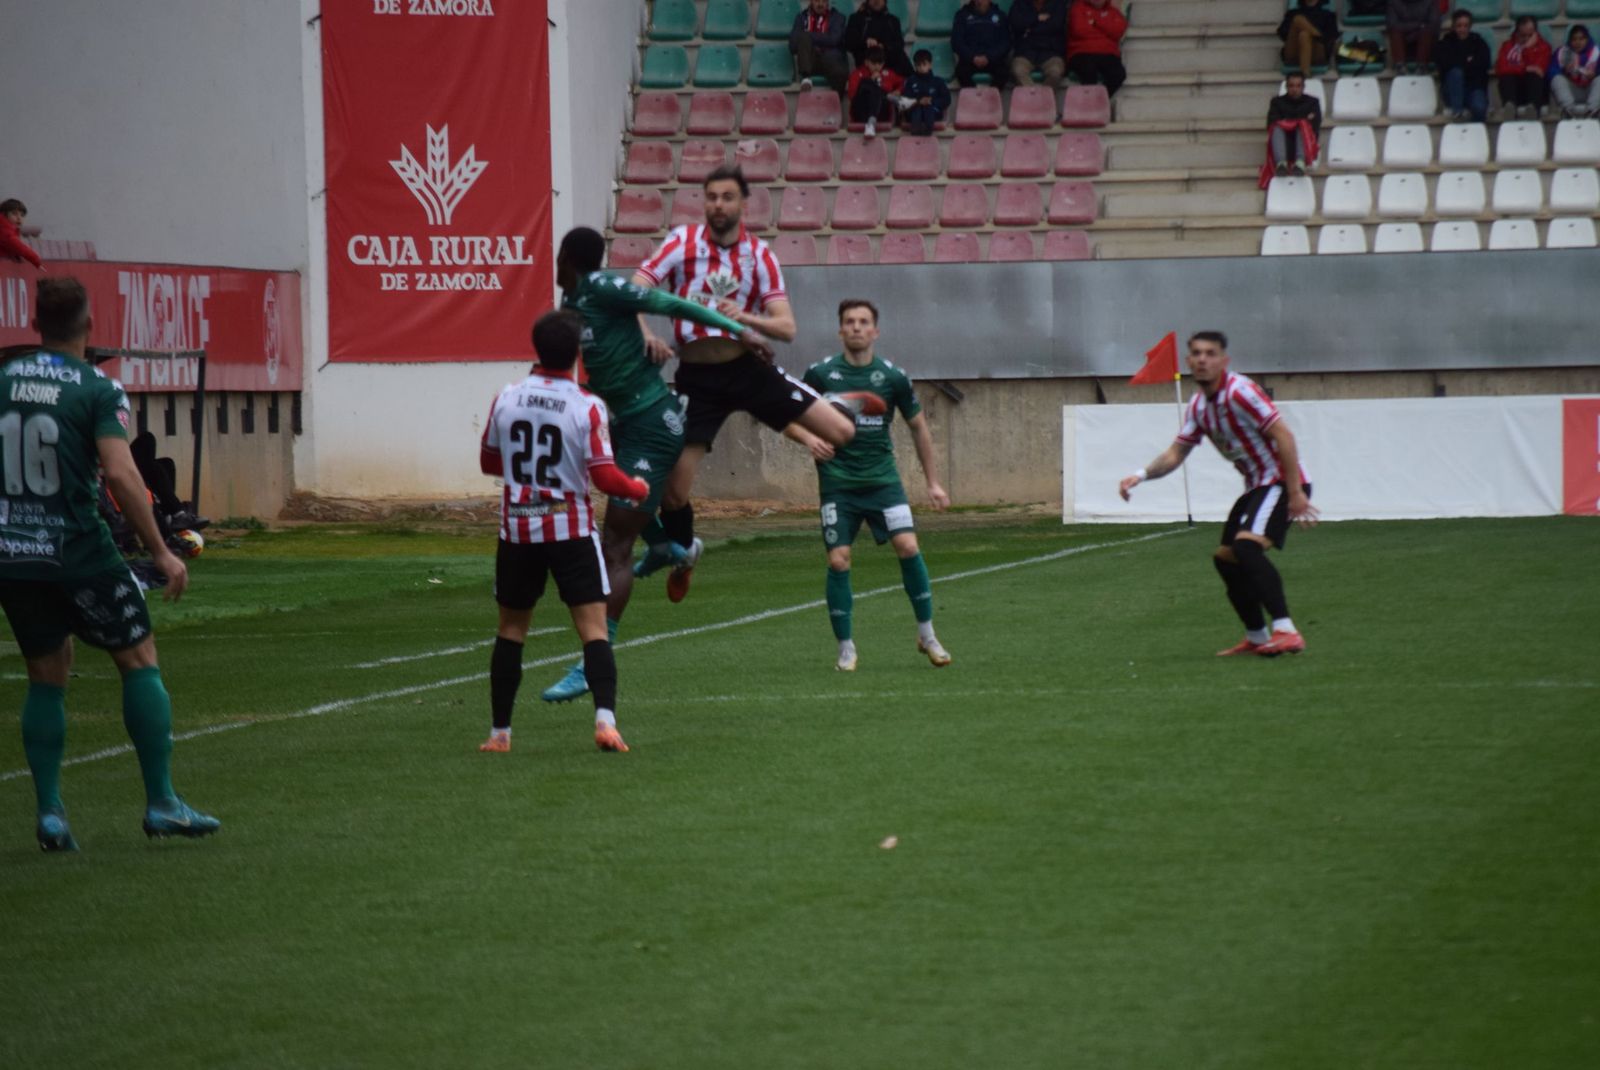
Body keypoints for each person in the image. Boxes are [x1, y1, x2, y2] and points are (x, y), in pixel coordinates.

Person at [0, 278, 218, 851]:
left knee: (47, 673)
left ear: (34, 324)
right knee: (138, 656)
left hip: (15, 553)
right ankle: (163, 803)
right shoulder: (97, 389)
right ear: (89, 326)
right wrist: (161, 550)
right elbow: (121, 474)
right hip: (79, 549)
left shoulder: (1, 383)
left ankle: (50, 812)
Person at [537, 226, 771, 704]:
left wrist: (739, 329)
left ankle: (594, 657)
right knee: (635, 503)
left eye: (556, 257)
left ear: (566, 257)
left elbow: (670, 305)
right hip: (622, 422)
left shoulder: (602, 287)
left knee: (614, 543)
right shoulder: (572, 302)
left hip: (652, 423)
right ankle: (670, 549)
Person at [631, 166, 878, 604]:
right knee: (672, 492)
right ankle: (686, 555)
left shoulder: (759, 256)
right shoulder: (681, 243)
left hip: (748, 370)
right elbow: (636, 289)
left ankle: (840, 403)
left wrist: (744, 318)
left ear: (743, 203)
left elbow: (786, 328)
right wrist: (647, 335)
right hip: (697, 381)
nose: (717, 205)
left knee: (843, 432)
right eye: (711, 197)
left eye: (726, 197)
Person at [477, 310, 651, 754]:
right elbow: (605, 477)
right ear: (577, 353)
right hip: (569, 529)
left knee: (511, 629)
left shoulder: (508, 397)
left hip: (517, 530)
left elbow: (490, 463)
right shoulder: (585, 405)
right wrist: (637, 487)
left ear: (536, 348)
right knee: (593, 629)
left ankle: (500, 733)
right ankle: (605, 722)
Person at [1118, 331, 1318, 658]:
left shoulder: (1240, 392)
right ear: (1188, 361)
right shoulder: (1199, 406)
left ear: (1223, 361)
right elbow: (1176, 453)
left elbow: (1284, 435)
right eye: (1196, 353)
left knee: (1246, 548)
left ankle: (1286, 630)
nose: (1202, 359)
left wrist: (1295, 492)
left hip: (1281, 481)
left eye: (1210, 353)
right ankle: (1257, 636)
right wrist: (1139, 476)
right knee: (1226, 559)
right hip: (1257, 486)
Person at [792, 300, 952, 672]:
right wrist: (807, 439)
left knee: (909, 545)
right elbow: (786, 413)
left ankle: (927, 634)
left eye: (864, 322)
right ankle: (846, 648)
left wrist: (933, 482)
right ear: (840, 331)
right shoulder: (820, 375)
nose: (857, 328)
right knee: (838, 559)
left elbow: (919, 427)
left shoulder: (893, 377)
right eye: (849, 322)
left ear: (875, 331)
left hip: (883, 482)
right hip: (838, 484)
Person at [1262, 73, 1321, 181]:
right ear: (1286, 87)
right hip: (1283, 142)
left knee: (1303, 126)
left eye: (1298, 86)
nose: (1295, 89)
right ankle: (1281, 164)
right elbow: (1271, 122)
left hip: (1305, 144)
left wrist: (1293, 122)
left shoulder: (1312, 102)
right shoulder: (1277, 102)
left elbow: (1315, 125)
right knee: (1277, 127)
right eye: (1291, 86)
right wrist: (1302, 119)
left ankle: (1300, 163)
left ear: (1303, 87)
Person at [1435, 10, 1491, 122]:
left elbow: (1484, 65)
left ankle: (1476, 134)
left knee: (1480, 108)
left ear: (1470, 27)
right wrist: (1468, 61)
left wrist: (1460, 62)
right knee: (1456, 73)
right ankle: (1457, 112)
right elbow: (1445, 65)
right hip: (1451, 90)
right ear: (1453, 26)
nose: (1462, 29)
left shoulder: (1479, 42)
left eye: (1465, 26)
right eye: (1459, 25)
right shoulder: (1445, 43)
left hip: (1474, 88)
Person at [1067, 0, 1128, 97]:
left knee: (1119, 74)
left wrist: (1095, 22)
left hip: (1107, 52)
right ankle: (1092, 104)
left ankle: (1099, 100)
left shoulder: (1113, 11)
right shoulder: (1077, 8)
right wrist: (1106, 29)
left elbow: (1118, 31)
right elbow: (1079, 31)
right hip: (1082, 51)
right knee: (1088, 71)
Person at [1495, 16, 1553, 118]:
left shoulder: (1544, 47)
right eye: (1523, 35)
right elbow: (1501, 68)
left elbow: (1540, 70)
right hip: (1515, 90)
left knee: (1533, 75)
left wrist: (1526, 49)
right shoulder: (1507, 46)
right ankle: (1510, 108)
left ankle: (1533, 108)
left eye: (1530, 35)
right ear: (1517, 32)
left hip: (1535, 91)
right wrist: (1524, 68)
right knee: (1507, 77)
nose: (1526, 39)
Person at [847, 46, 908, 138]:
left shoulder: (888, 74)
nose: (877, 66)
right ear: (866, 62)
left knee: (876, 91)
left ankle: (871, 123)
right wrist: (871, 81)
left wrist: (898, 90)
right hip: (861, 112)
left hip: (881, 113)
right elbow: (853, 96)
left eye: (880, 63)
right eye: (874, 63)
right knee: (866, 84)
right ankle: (893, 98)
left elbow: (905, 82)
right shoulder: (857, 74)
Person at [791, 0, 850, 95]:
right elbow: (793, 45)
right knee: (804, 38)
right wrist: (809, 38)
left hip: (831, 59)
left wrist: (809, 36)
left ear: (828, 3)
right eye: (817, 1)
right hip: (810, 59)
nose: (820, 4)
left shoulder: (838, 18)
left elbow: (833, 39)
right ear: (811, 2)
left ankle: (836, 105)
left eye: (823, 1)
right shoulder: (801, 18)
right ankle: (806, 78)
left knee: (840, 74)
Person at [1008, 0, 1070, 88]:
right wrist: (1036, 18)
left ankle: (1041, 99)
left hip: (1050, 52)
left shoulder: (1058, 4)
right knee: (1018, 71)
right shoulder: (1019, 4)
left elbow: (1056, 26)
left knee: (1055, 72)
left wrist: (1029, 28)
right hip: (1025, 52)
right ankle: (1033, 98)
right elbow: (1017, 24)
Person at [952, 0, 1012, 89]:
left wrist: (989, 57)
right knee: (961, 72)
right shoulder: (962, 15)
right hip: (970, 59)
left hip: (992, 58)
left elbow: (1006, 42)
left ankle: (990, 98)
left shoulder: (1000, 15)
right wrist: (972, 57)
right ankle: (975, 98)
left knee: (1003, 73)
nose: (979, 1)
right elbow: (957, 41)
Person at [844, 0, 910, 76]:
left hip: (890, 63)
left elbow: (899, 44)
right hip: (868, 64)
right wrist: (866, 42)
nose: (877, 1)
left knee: (902, 59)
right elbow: (849, 43)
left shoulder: (893, 21)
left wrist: (883, 46)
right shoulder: (856, 19)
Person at [1277, 0, 1339, 78]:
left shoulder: (1327, 15)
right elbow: (1282, 34)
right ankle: (1317, 34)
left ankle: (1305, 73)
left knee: (1304, 35)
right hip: (1294, 52)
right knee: (1298, 20)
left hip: (1318, 52)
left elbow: (1332, 36)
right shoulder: (1292, 13)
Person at [1550, 24, 1600, 119]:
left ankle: (1592, 112)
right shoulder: (1562, 52)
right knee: (1557, 79)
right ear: (1570, 40)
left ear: (1587, 39)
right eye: (1574, 39)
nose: (1578, 42)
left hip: (1590, 90)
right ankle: (1568, 111)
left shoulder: (1596, 52)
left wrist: (1595, 74)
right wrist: (1564, 71)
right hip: (1572, 91)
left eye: (1581, 39)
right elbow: (1552, 71)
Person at [900, 48, 952, 136]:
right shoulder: (910, 81)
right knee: (917, 110)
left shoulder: (938, 81)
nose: (921, 67)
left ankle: (927, 133)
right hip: (914, 110)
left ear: (930, 65)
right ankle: (915, 133)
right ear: (915, 66)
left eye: (924, 64)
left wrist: (931, 101)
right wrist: (918, 101)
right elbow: (905, 100)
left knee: (928, 108)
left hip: (933, 110)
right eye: (918, 65)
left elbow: (947, 99)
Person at [1386, 0, 1439, 74]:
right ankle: (1400, 67)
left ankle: (1422, 67)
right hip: (1404, 41)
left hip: (1424, 40)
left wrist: (1415, 33)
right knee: (1395, 32)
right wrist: (1419, 25)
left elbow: (1433, 24)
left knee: (1426, 31)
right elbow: (1392, 24)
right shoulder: (1394, 2)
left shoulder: (1430, 2)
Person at [1, 198, 43, 269]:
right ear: (4, 215)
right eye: (14, 213)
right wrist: (36, 260)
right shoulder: (4, 230)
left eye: (22, 215)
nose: (19, 218)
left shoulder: (10, 230)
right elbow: (17, 246)